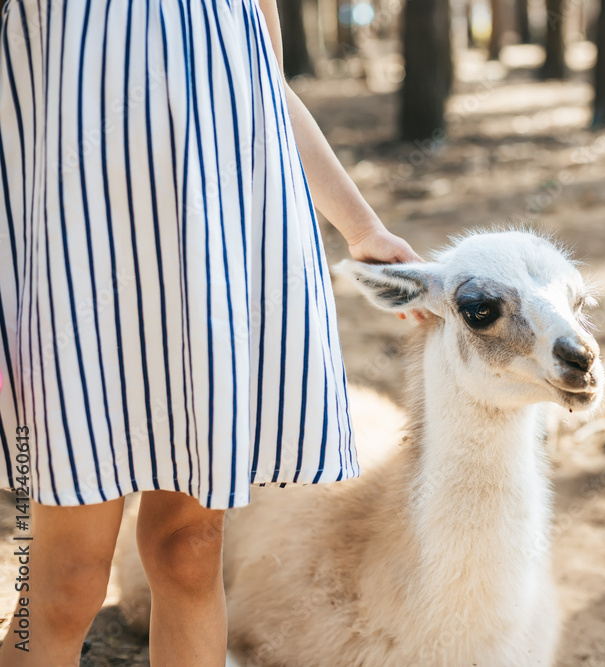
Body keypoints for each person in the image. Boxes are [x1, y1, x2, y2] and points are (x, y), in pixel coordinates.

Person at [0, 0, 421, 664]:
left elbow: (265, 89)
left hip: (208, 265)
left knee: (189, 549)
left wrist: (362, 226)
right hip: (76, 262)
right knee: (67, 580)